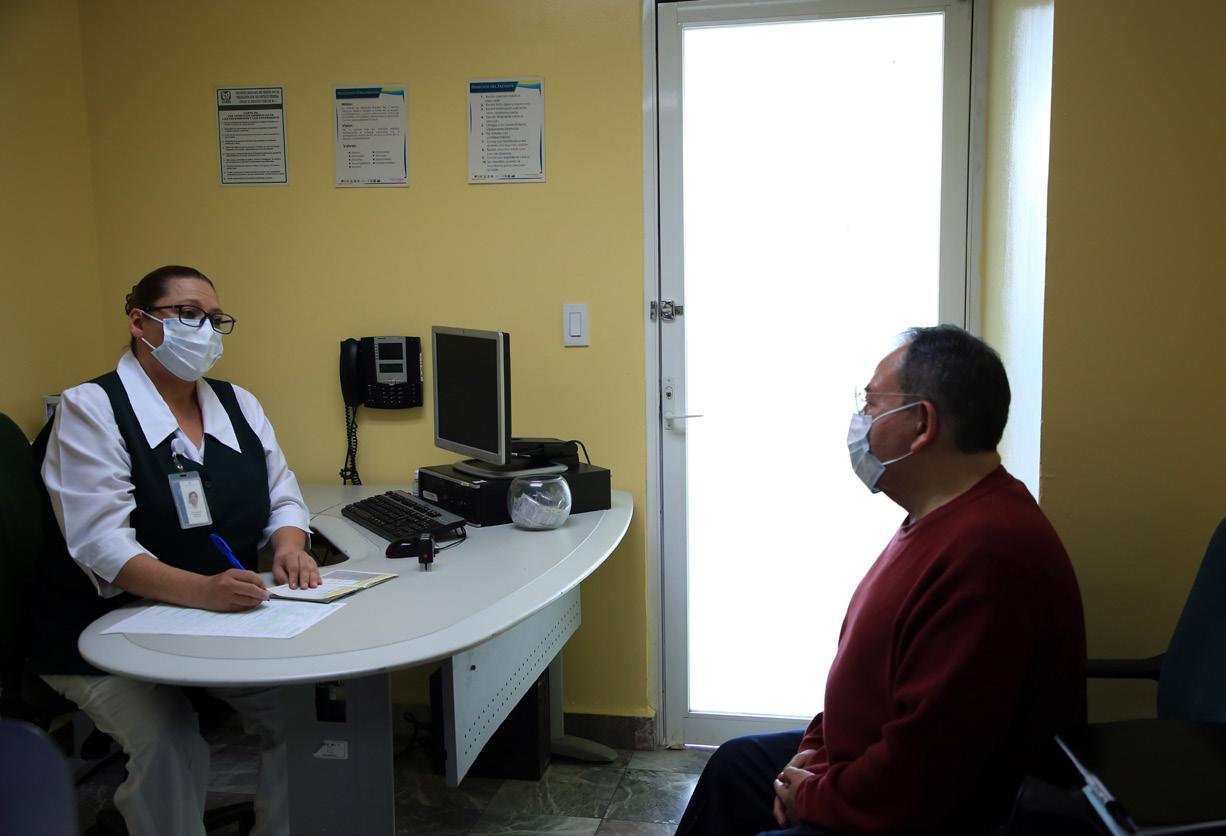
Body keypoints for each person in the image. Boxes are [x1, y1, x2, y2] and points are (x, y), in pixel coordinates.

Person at [675, 325, 1087, 836]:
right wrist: (816, 748)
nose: (861, 420)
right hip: (869, 763)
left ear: (922, 423)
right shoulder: (938, 515)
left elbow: (925, 771)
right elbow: (872, 673)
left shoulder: (991, 554)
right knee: (737, 766)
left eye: (871, 403)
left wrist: (815, 795)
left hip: (940, 813)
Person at [29, 265, 321, 836]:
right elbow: (102, 545)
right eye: (186, 314)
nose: (204, 329)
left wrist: (290, 547)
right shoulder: (91, 408)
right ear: (139, 322)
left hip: (214, 620)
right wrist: (203, 591)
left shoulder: (239, 405)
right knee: (168, 739)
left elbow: (284, 497)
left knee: (301, 718)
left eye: (214, 318)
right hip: (99, 630)